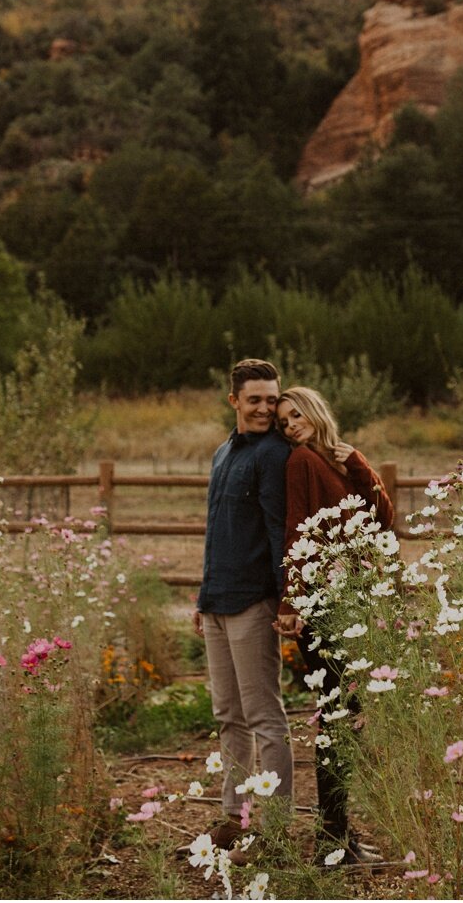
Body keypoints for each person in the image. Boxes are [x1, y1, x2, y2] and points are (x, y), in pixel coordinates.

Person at [273, 386, 394, 864]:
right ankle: (333, 840)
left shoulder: (340, 462)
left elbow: (383, 520)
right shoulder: (302, 460)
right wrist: (293, 599)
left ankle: (337, 835)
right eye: (283, 421)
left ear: (317, 412)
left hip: (350, 601)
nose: (290, 424)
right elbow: (297, 527)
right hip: (322, 604)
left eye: (296, 414)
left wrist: (361, 467)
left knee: (344, 718)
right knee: (339, 718)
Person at [194, 358, 294, 851]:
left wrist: (286, 599)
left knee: (264, 716)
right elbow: (217, 532)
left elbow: (280, 532)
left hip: (254, 602)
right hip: (216, 599)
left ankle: (275, 825)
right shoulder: (222, 453)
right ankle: (235, 818)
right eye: (254, 399)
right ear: (233, 400)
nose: (264, 408)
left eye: (271, 399)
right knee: (227, 715)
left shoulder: (275, 455)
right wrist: (202, 597)